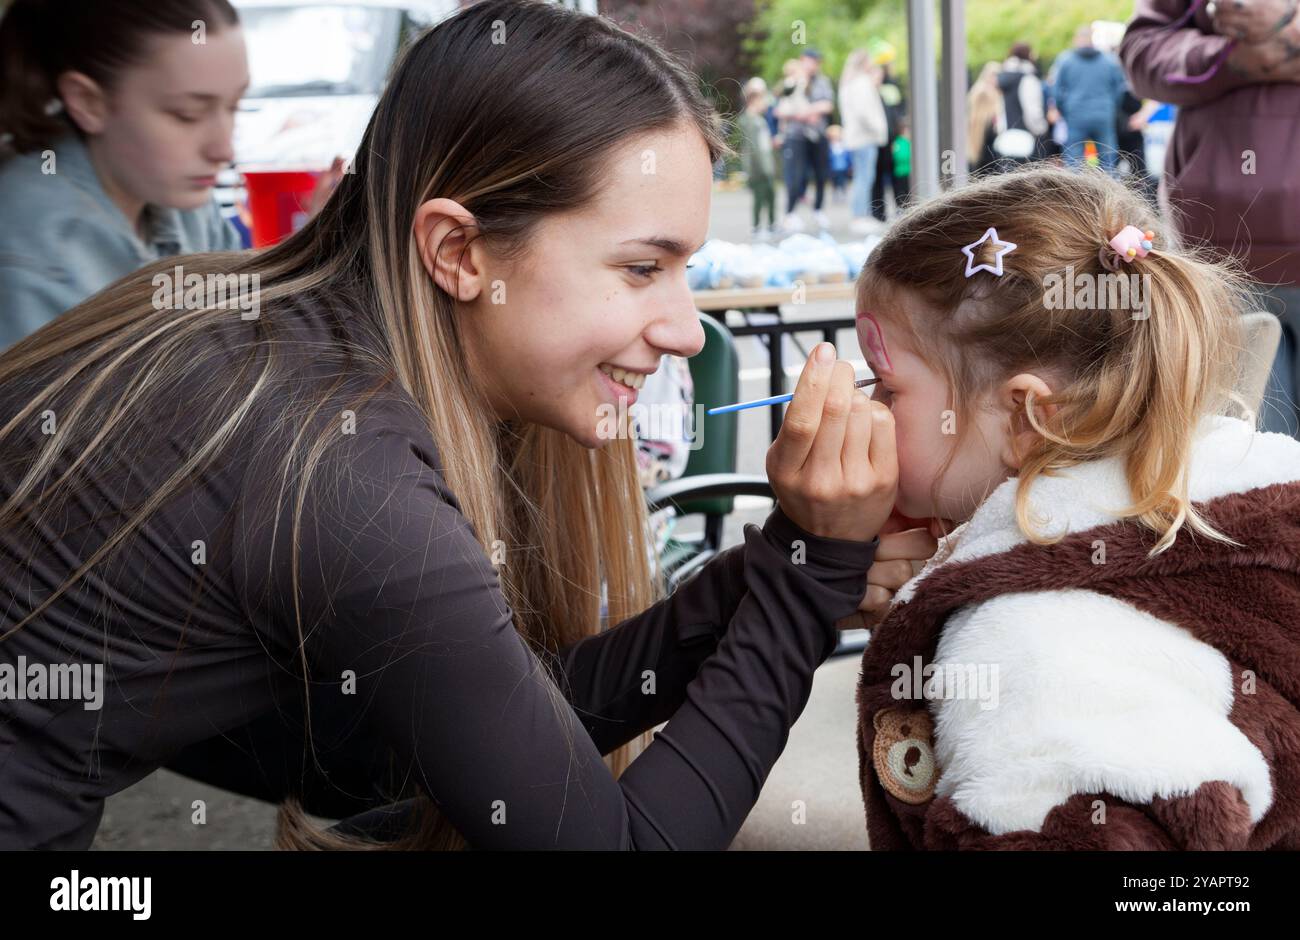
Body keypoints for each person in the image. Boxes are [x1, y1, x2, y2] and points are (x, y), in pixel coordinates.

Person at [0, 0, 909, 851]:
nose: (684, 328)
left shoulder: (288, 355)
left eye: (685, 269)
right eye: (641, 267)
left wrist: (769, 573)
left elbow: (433, 745)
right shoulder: (339, 465)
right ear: (458, 251)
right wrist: (807, 587)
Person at [852, 165, 1300, 849]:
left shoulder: (1030, 649)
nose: (866, 410)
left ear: (1028, 418)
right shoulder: (1243, 495)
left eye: (884, 386)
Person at [0, 0, 342, 352]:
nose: (224, 150)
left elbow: (247, 327)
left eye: (233, 106)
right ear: (88, 102)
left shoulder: (182, 201)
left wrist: (312, 254)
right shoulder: (29, 249)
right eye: (187, 114)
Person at [1121, 0, 1300, 439]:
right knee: (1246, 449)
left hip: (1221, 244)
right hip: (1224, 253)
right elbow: (1143, 51)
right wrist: (1232, 58)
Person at [1051, 24, 1129, 171]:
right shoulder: (1109, 61)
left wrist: (1065, 109)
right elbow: (1119, 90)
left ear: (1077, 39)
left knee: (1074, 162)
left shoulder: (1065, 60)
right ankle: (1109, 192)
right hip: (1103, 114)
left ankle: (1073, 193)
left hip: (1075, 114)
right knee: (1107, 162)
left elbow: (1056, 90)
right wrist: (1111, 107)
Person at [838, 48, 887, 234]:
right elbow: (864, 113)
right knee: (864, 177)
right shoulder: (861, 83)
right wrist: (878, 128)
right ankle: (859, 216)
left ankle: (861, 214)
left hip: (857, 137)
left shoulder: (849, 84)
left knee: (863, 176)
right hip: (865, 137)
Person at [738, 77, 777, 240]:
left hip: (766, 165)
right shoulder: (749, 121)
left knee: (770, 196)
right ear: (754, 100)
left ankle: (771, 224)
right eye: (763, 100)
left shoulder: (759, 120)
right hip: (759, 168)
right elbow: (753, 148)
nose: (766, 105)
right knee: (760, 197)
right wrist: (759, 169)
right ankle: (757, 227)